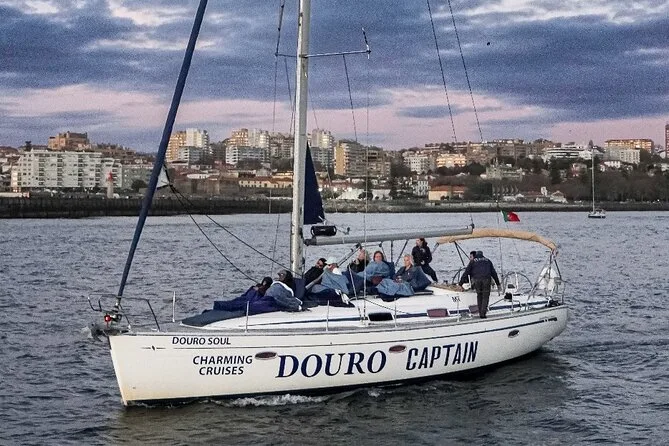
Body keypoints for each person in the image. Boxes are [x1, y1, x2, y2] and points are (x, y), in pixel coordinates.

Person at [458, 251, 500, 319]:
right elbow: (494, 273)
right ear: (482, 255)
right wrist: (498, 284)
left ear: (476, 255)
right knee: (485, 297)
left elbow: (466, 272)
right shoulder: (488, 261)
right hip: (486, 280)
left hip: (477, 280)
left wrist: (460, 283)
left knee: (479, 296)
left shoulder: (473, 261)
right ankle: (483, 314)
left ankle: (480, 312)